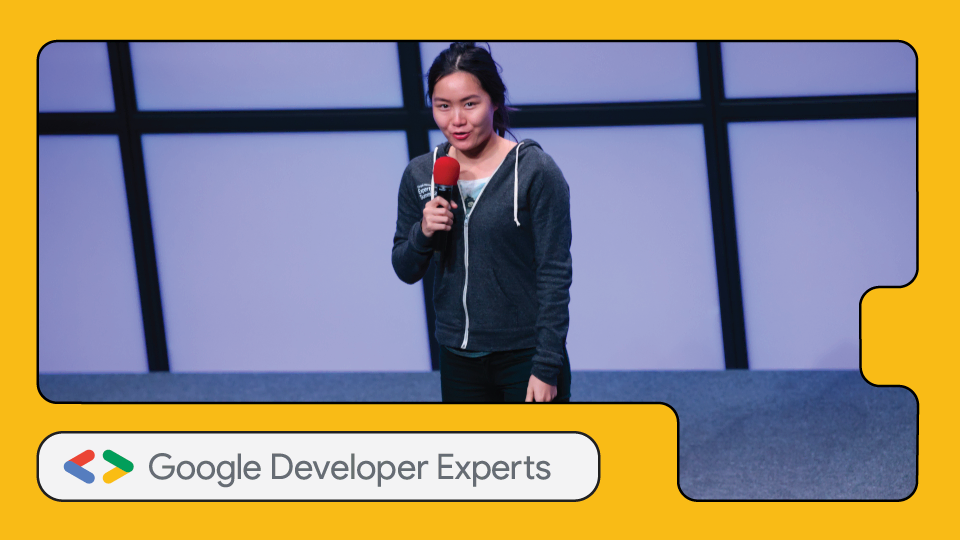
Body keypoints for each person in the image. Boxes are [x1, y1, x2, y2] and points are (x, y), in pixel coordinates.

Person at [392, 42, 572, 403]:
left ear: (495, 101)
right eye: (443, 106)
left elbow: (554, 272)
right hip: (457, 356)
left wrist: (546, 365)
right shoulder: (421, 173)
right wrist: (423, 232)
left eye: (470, 104)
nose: (456, 120)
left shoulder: (535, 170)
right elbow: (405, 267)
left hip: (525, 354)